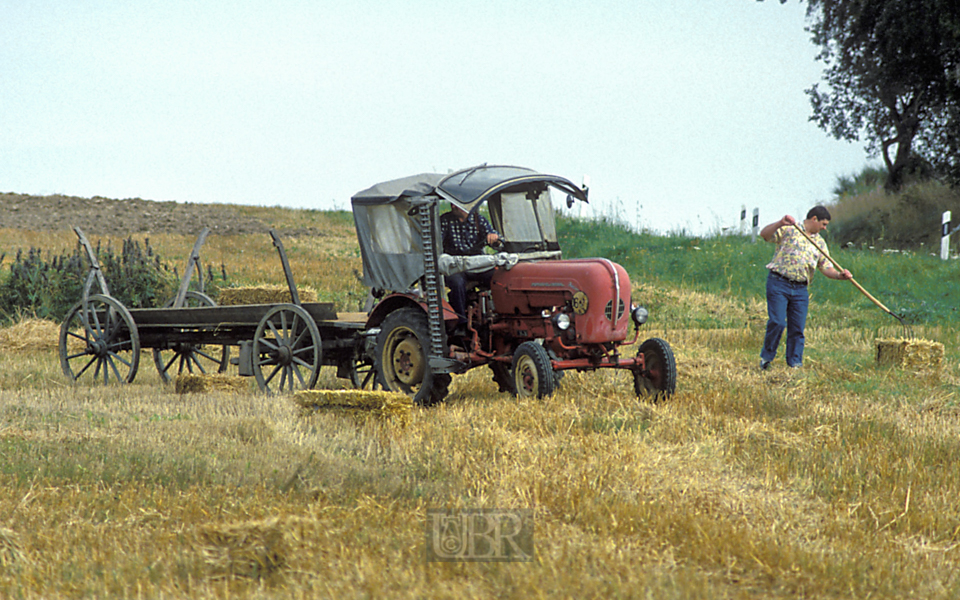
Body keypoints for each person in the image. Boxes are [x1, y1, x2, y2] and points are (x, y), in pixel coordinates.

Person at [759, 206, 852, 370]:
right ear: (814, 219)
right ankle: (766, 359)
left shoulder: (820, 243)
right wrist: (780, 223)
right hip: (779, 282)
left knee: (797, 328)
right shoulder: (790, 230)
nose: (825, 228)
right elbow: (764, 235)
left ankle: (795, 363)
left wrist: (839, 275)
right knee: (778, 322)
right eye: (823, 224)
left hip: (801, 289)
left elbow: (825, 267)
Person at [440, 204, 500, 324]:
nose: (453, 206)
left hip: (475, 264)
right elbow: (437, 243)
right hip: (456, 265)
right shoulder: (445, 221)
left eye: (456, 203)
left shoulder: (479, 220)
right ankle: (460, 322)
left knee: (499, 277)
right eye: (451, 203)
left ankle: (498, 312)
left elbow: (497, 239)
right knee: (457, 283)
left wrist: (494, 238)